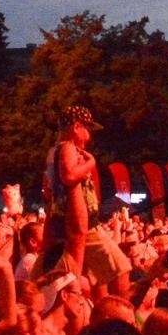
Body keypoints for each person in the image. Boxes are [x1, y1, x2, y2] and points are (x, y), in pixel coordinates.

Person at [41, 105, 100, 279]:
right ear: (76, 126)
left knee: (93, 274)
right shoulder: (67, 147)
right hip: (77, 219)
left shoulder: (54, 151)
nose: (89, 135)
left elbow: (49, 190)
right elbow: (69, 176)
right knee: (117, 267)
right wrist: (90, 163)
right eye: (87, 128)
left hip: (65, 218)